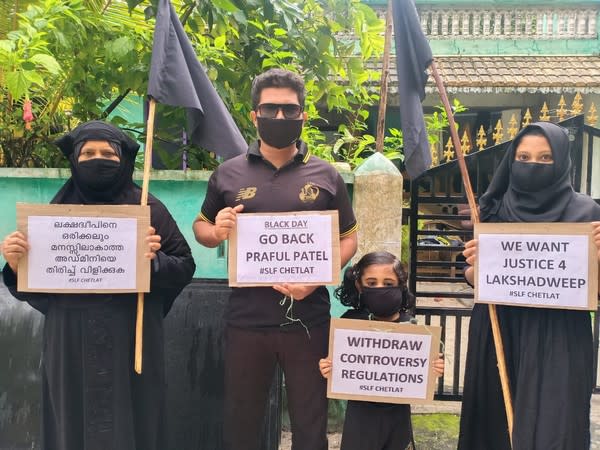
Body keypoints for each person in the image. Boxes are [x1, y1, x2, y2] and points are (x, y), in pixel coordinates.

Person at [1, 120, 196, 450]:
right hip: (69, 339)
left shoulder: (147, 208)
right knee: (71, 423)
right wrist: (16, 263)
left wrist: (154, 261)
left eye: (108, 152)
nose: (98, 159)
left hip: (130, 336)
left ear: (124, 160)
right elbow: (34, 282)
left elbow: (184, 265)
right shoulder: (56, 213)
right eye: (88, 152)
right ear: (74, 159)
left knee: (134, 422)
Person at [192, 68, 358, 450]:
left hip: (309, 321)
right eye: (270, 110)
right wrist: (217, 231)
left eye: (289, 110)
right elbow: (201, 229)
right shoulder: (228, 173)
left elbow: (348, 240)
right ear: (254, 115)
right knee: (241, 420)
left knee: (310, 422)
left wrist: (317, 279)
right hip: (247, 321)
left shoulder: (327, 175)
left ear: (302, 115)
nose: (279, 118)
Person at [458, 121, 600, 450]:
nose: (532, 165)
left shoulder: (587, 214)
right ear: (511, 160)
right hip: (499, 328)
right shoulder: (492, 209)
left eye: (544, 158)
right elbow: (473, 280)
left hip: (559, 338)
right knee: (493, 424)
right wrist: (477, 266)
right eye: (523, 156)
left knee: (555, 426)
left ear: (562, 161)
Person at [318, 251, 444, 450]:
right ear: (359, 285)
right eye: (371, 283)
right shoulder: (349, 322)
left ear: (401, 285)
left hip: (398, 415)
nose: (380, 289)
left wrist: (434, 368)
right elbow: (333, 360)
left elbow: (422, 368)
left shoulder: (411, 326)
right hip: (360, 415)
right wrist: (327, 366)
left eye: (387, 283)